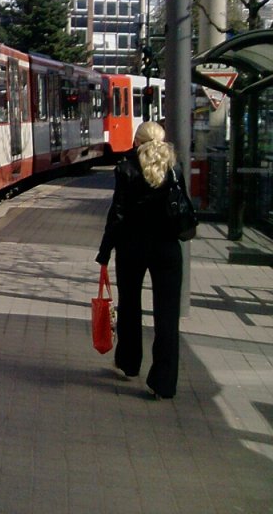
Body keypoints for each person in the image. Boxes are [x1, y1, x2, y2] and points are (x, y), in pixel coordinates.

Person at [96, 121, 184, 399]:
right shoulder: (174, 167)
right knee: (167, 316)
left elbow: (117, 214)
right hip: (168, 249)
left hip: (132, 248)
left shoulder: (126, 169)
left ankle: (129, 363)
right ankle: (164, 383)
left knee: (130, 306)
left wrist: (105, 251)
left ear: (137, 142)